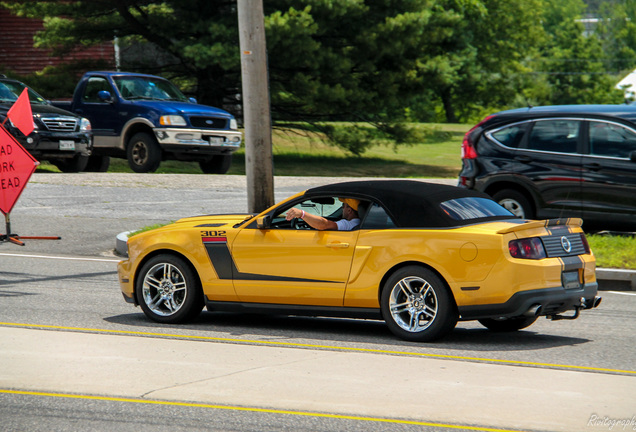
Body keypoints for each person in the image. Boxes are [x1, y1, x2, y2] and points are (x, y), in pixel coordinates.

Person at [285, 198, 361, 231]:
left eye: (343, 206)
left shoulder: (349, 224)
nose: (342, 209)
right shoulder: (359, 223)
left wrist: (302, 214)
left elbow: (324, 224)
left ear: (349, 210)